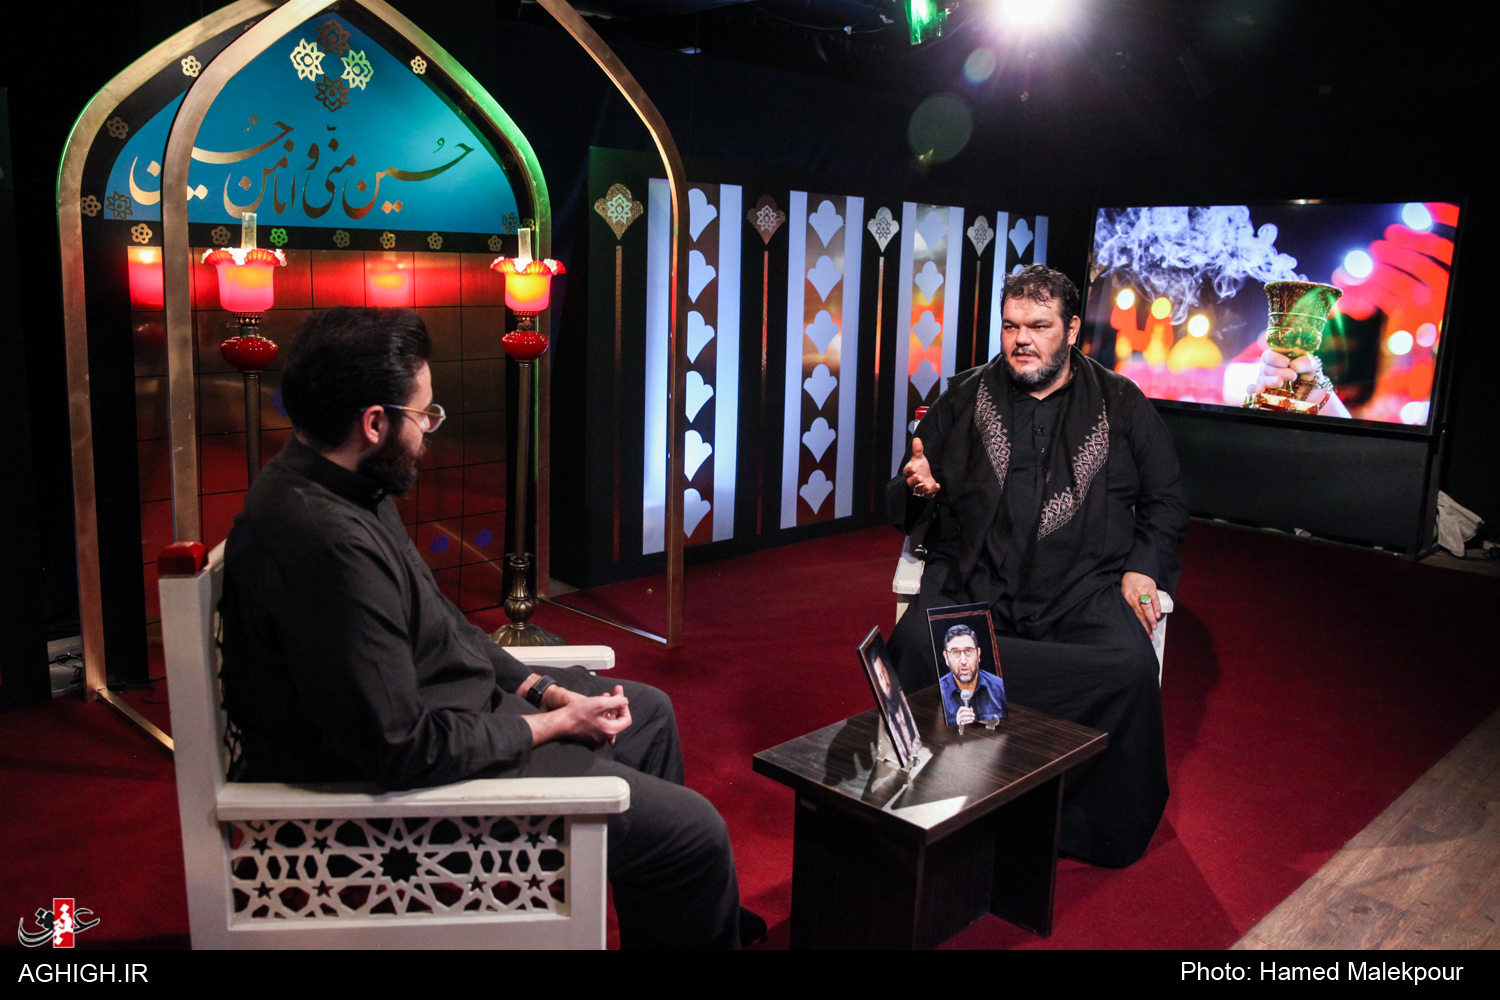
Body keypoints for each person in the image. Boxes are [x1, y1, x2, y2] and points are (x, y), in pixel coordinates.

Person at [219, 306, 755, 949]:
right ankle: (689, 889)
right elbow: (401, 748)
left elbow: (445, 625)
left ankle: (683, 910)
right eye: (425, 415)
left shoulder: (347, 486)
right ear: (374, 423)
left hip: (453, 717)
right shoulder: (325, 543)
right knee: (695, 836)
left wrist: (542, 690)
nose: (429, 432)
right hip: (391, 799)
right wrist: (554, 725)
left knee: (649, 714)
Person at [887, 264, 1188, 867]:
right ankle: (934, 800)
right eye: (1010, 326)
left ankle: (1073, 824)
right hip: (973, 580)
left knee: (1127, 669)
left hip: (1080, 590)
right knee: (915, 647)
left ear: (1071, 330)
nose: (1021, 339)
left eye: (1039, 326)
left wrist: (1143, 568)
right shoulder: (964, 395)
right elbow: (903, 500)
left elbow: (1166, 500)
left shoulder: (1121, 402)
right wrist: (916, 489)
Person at [935, 624, 1006, 726]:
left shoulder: (999, 687)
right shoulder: (938, 693)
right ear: (946, 658)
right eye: (956, 653)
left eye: (968, 651)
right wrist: (955, 728)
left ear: (978, 654)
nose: (963, 661)